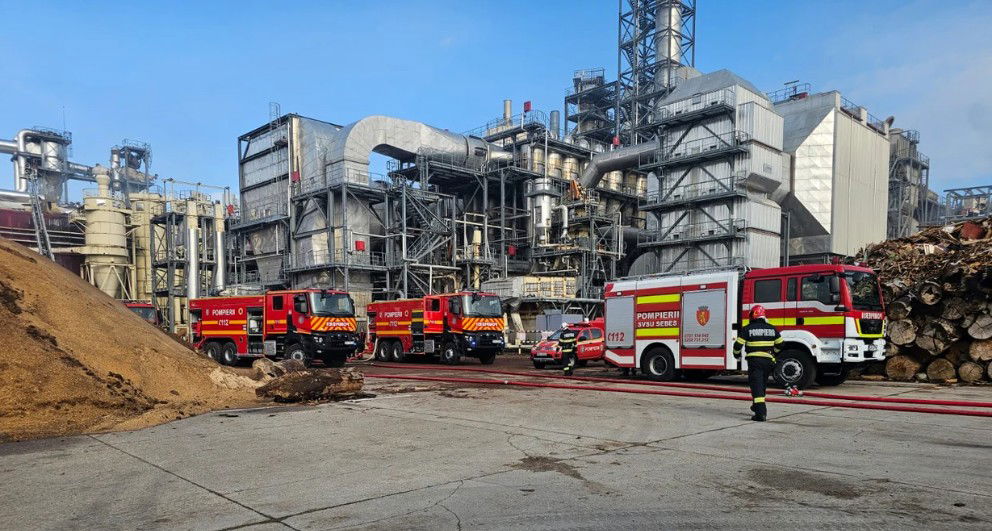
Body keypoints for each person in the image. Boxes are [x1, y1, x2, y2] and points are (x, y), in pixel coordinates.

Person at [733, 305, 783, 421]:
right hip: (768, 362)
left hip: (755, 362)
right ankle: (756, 406)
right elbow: (781, 344)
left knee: (756, 386)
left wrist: (736, 355)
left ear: (753, 315)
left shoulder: (747, 329)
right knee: (762, 385)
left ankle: (761, 413)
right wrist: (774, 353)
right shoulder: (771, 328)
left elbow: (737, 345)